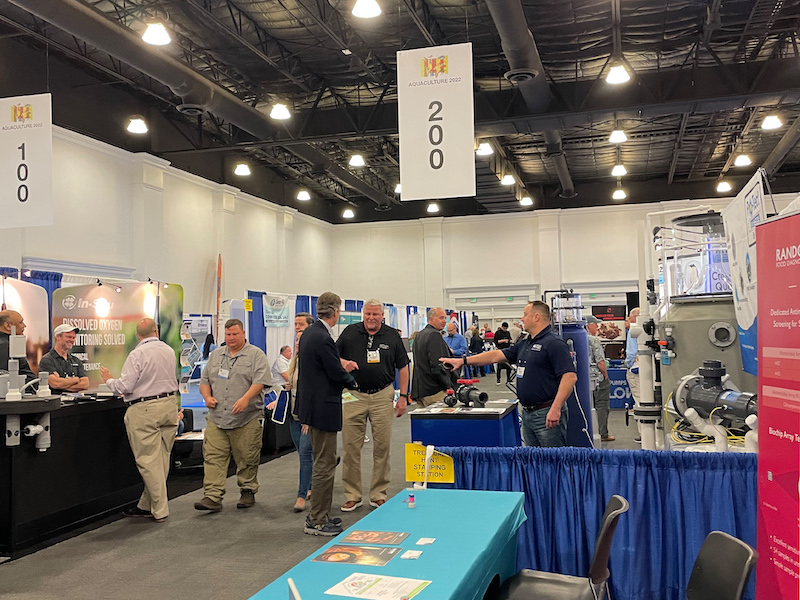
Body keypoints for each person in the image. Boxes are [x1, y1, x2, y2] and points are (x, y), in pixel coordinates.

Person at [443, 301, 577, 447]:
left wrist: (556, 409)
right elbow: (495, 356)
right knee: (534, 462)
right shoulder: (526, 343)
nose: (522, 318)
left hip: (546, 414)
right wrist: (463, 361)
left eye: (525, 314)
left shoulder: (554, 343)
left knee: (552, 462)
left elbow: (569, 377)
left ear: (536, 317)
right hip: (528, 414)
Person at [99, 318, 179, 523]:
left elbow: (124, 387)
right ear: (157, 331)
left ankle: (160, 510)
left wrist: (108, 379)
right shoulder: (169, 350)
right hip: (169, 405)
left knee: (148, 461)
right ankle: (146, 505)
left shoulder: (137, 354)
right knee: (162, 458)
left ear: (138, 335)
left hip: (145, 409)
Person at [336, 299, 410, 512]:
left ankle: (378, 493)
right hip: (353, 395)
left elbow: (404, 367)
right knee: (351, 447)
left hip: (382, 396)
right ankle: (353, 495)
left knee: (382, 447)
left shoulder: (392, 336)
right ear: (363, 314)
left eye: (375, 314)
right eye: (368, 314)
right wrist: (344, 363)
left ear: (382, 316)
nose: (371, 318)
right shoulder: (349, 333)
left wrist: (403, 396)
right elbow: (332, 356)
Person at [296, 293, 357, 536]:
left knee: (324, 460)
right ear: (335, 312)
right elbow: (334, 371)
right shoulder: (322, 337)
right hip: (323, 408)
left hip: (314, 406)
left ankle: (319, 515)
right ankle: (317, 520)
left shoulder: (311, 333)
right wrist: (353, 382)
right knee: (324, 463)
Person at [194, 318, 270, 512]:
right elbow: (204, 381)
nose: (231, 338)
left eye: (235, 334)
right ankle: (212, 496)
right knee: (213, 456)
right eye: (228, 335)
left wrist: (246, 399)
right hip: (217, 417)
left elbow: (260, 381)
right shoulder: (216, 355)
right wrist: (207, 397)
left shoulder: (256, 355)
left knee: (247, 456)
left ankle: (247, 490)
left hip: (246, 418)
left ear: (243, 333)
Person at [267, 311, 314, 512]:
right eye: (295, 335)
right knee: (304, 453)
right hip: (293, 414)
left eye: (300, 330)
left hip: (307, 416)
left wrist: (308, 416)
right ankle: (312, 483)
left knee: (304, 453)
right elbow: (292, 384)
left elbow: (313, 388)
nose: (297, 338)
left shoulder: (313, 360)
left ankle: (301, 496)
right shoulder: (293, 361)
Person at [410, 307, 453, 407]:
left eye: (445, 318)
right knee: (440, 421)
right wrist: (448, 385)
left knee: (423, 422)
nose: (444, 321)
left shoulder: (419, 335)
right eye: (441, 318)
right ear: (431, 319)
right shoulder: (434, 335)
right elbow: (437, 365)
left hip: (421, 390)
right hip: (434, 390)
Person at [38, 324, 89, 394]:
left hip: (75, 403)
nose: (72, 340)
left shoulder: (76, 360)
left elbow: (85, 384)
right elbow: (55, 383)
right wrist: (76, 379)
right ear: (58, 337)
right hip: (56, 403)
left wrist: (63, 384)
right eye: (69, 337)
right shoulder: (47, 360)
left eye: (73, 338)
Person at [586, 316, 613, 442]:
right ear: (588, 326)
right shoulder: (593, 340)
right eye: (594, 324)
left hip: (584, 380)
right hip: (597, 378)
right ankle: (603, 434)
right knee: (602, 405)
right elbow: (600, 362)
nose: (597, 327)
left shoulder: (577, 340)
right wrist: (605, 376)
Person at [0, 310, 36, 383]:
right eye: (20, 322)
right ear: (8, 326)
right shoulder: (8, 347)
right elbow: (6, 379)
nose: (24, 325)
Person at [625, 308, 641, 442]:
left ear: (635, 318)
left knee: (639, 401)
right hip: (648, 371)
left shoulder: (633, 331)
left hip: (636, 371)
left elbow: (631, 353)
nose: (628, 320)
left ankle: (644, 434)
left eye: (629, 317)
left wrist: (628, 365)